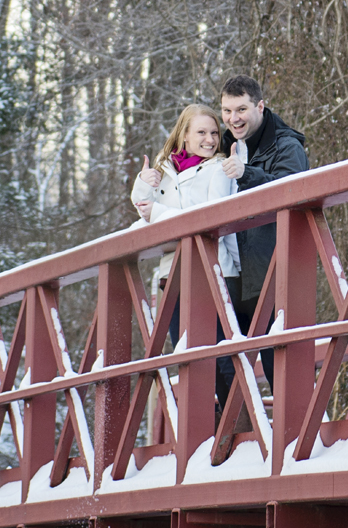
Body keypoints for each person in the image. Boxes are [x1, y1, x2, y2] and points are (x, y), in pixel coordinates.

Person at [131, 103, 241, 409]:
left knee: (219, 351)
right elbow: (141, 209)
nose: (210, 139)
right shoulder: (166, 168)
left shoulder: (219, 168)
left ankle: (240, 418)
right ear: (184, 135)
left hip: (212, 270)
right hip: (174, 275)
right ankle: (215, 424)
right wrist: (145, 184)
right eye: (202, 132)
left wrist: (159, 213)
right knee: (188, 352)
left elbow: (209, 217)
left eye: (215, 133)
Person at [220, 75, 309, 392]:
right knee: (220, 363)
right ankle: (241, 438)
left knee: (280, 367)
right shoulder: (223, 143)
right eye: (227, 111)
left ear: (260, 106)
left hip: (274, 272)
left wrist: (247, 174)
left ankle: (297, 439)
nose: (234, 119)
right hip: (231, 274)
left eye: (241, 109)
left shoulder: (286, 145)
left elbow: (292, 190)